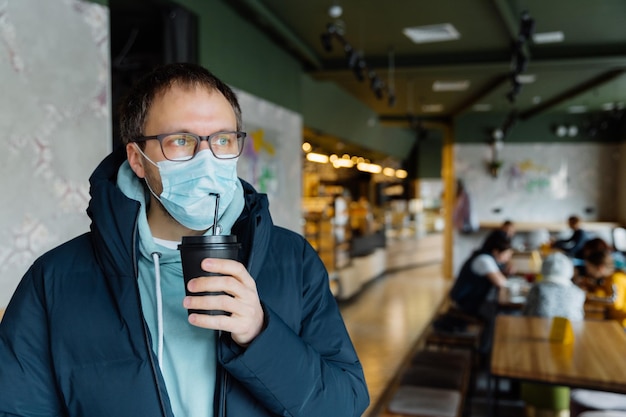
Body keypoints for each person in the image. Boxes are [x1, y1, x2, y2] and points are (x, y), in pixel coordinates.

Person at [0, 63, 369, 417]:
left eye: (222, 140)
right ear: (138, 159)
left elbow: (345, 404)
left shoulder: (293, 260)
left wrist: (260, 335)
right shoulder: (55, 279)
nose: (206, 158)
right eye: (181, 141)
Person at [521, 252, 585, 417]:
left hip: (536, 346)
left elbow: (525, 317)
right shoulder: (578, 293)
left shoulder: (538, 289)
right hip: (570, 348)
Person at [450, 231, 513, 317]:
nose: (507, 259)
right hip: (466, 302)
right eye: (506, 255)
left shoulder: (486, 257)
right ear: (495, 252)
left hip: (472, 299)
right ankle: (489, 329)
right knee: (502, 314)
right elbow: (501, 282)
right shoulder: (484, 260)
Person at [523, 252, 585, 321]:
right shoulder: (579, 293)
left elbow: (525, 314)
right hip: (572, 331)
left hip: (539, 330)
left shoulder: (537, 289)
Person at [581, 248, 626, 327]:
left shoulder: (615, 279)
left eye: (589, 268)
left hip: (621, 324)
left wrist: (589, 298)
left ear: (600, 268)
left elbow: (614, 301)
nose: (588, 271)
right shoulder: (608, 279)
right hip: (615, 321)